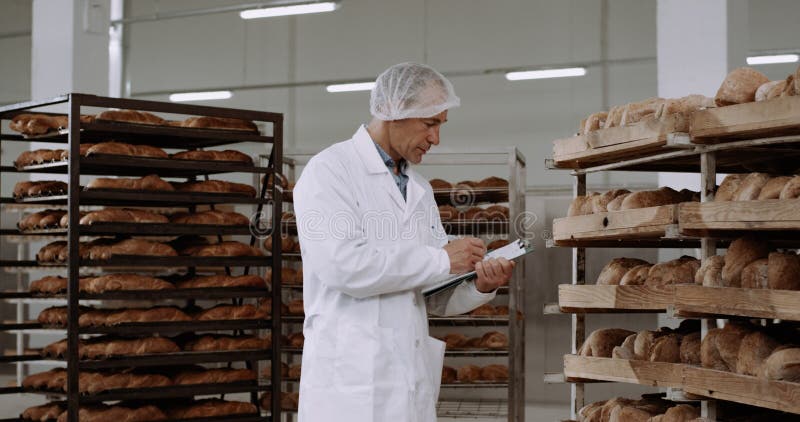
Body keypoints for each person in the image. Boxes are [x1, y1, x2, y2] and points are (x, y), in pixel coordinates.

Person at [293, 62, 515, 422]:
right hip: (350, 387)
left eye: (440, 125)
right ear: (394, 111)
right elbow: (343, 267)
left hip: (407, 383)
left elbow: (430, 294)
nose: (436, 138)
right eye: (430, 123)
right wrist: (444, 260)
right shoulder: (330, 172)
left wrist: (478, 284)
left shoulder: (420, 189)